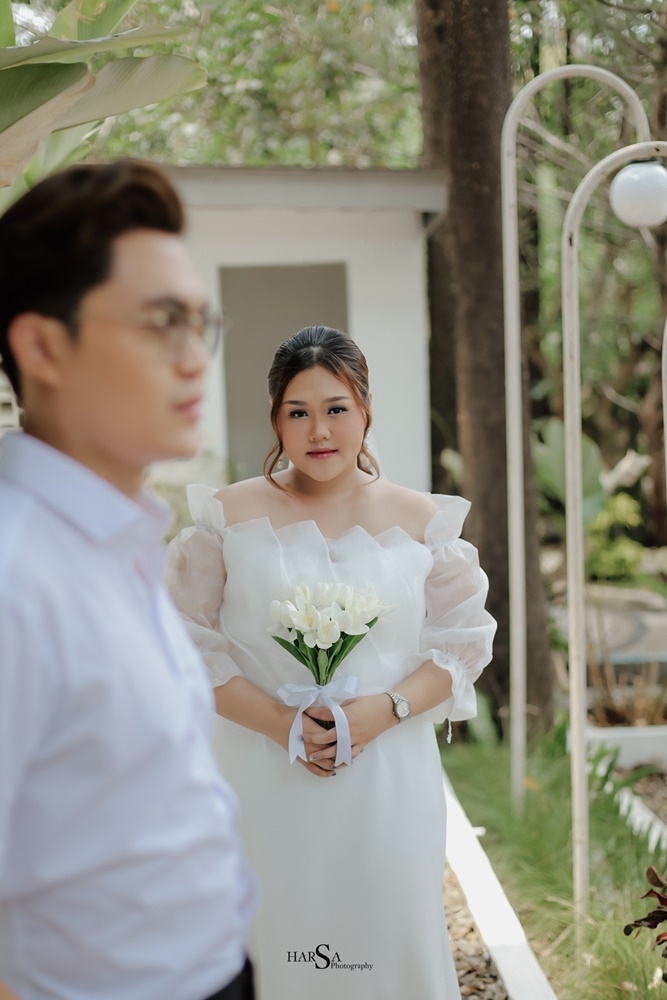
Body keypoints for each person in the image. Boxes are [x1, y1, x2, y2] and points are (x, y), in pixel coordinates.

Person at [167, 325, 496, 999]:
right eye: (298, 412)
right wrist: (281, 723)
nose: (318, 430)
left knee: (383, 938)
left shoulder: (421, 521)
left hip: (385, 772)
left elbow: (461, 643)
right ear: (276, 421)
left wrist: (385, 710)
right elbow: (184, 645)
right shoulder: (225, 517)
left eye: (335, 408)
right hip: (260, 769)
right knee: (275, 936)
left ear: (365, 410)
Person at [0, 161, 257, 1000]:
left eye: (199, 324)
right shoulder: (16, 576)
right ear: (43, 346)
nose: (193, 360)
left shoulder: (121, 541)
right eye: (161, 323)